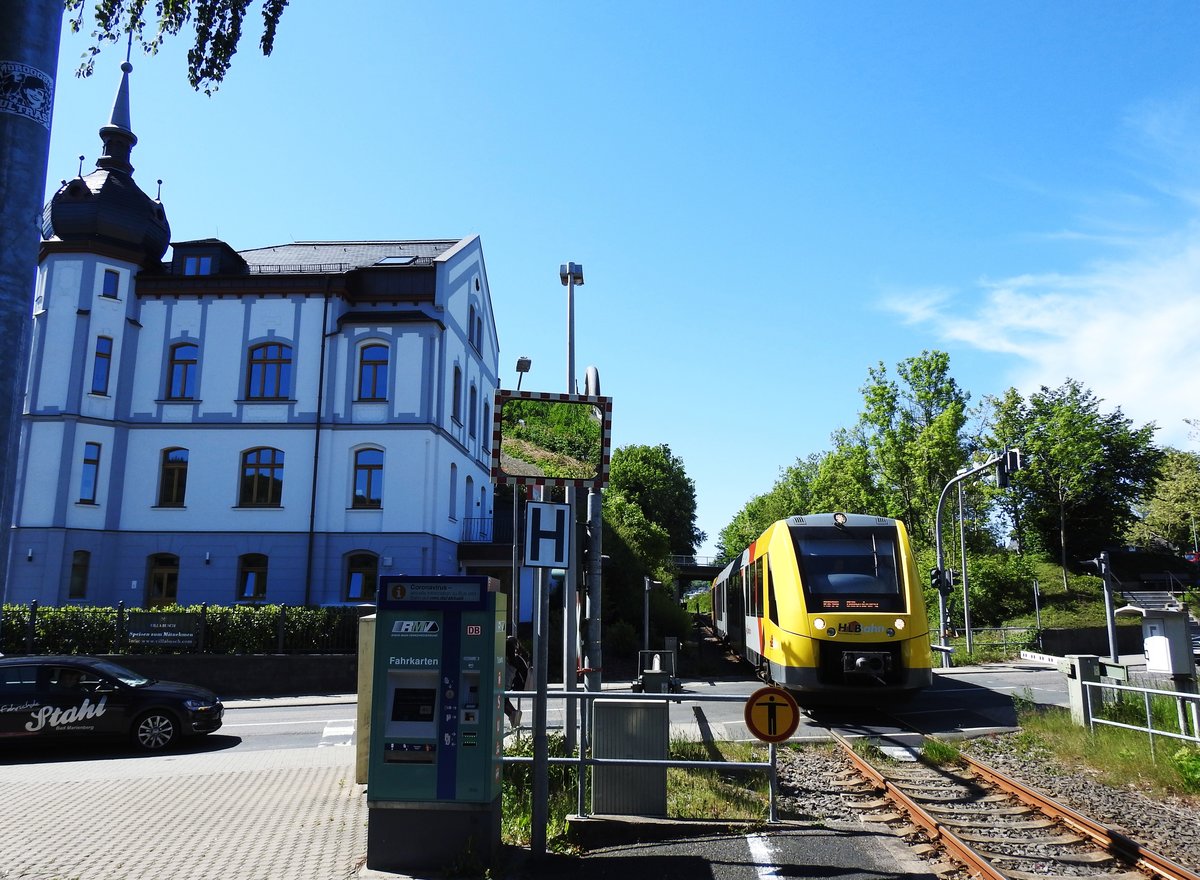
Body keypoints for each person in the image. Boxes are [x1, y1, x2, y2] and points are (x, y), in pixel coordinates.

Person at [504, 636, 529, 729]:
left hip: (501, 683)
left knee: (502, 702)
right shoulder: (516, 659)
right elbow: (525, 671)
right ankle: (514, 715)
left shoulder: (504, 659)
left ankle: (513, 714)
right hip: (508, 684)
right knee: (504, 701)